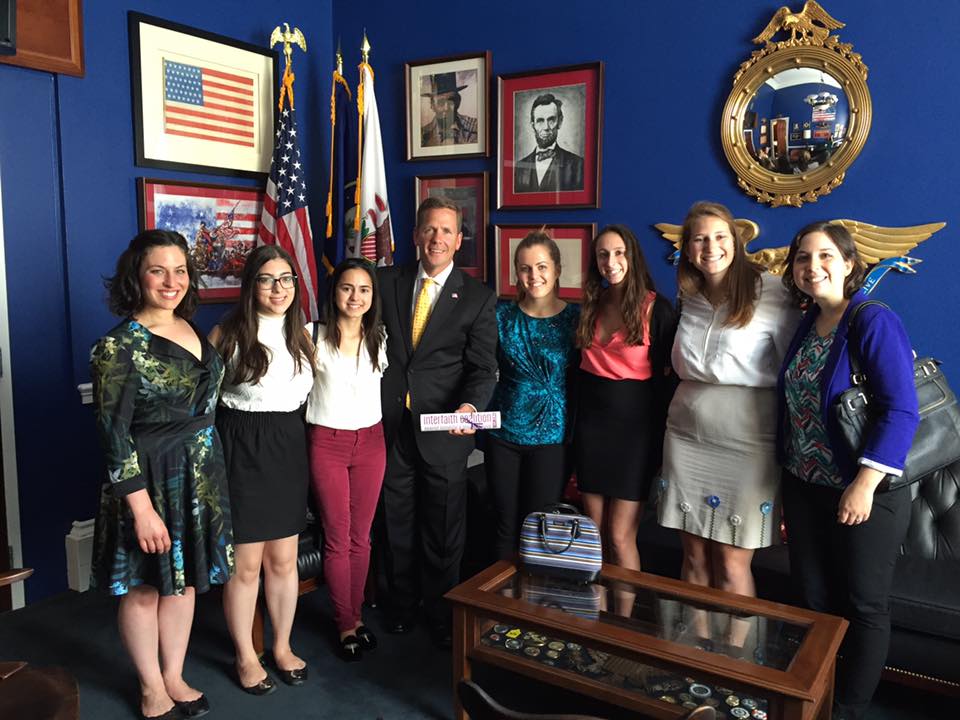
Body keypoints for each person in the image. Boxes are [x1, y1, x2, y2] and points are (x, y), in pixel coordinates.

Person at [777, 222, 919, 720]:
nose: (811, 267)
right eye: (801, 258)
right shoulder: (807, 322)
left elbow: (901, 409)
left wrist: (863, 484)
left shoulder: (872, 320)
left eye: (824, 256)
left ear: (849, 264)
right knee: (813, 599)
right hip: (805, 485)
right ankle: (815, 698)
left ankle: (850, 710)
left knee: (863, 605)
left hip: (864, 491)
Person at [90, 229, 233, 720]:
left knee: (186, 582)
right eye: (158, 270)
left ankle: (173, 673)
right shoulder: (118, 347)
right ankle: (151, 687)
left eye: (180, 270)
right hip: (147, 482)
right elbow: (114, 435)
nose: (171, 281)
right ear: (138, 276)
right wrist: (142, 508)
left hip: (199, 477)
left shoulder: (194, 327)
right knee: (146, 588)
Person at [657, 202, 799, 602]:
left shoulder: (770, 291)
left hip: (748, 442)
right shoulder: (689, 296)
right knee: (694, 556)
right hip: (684, 436)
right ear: (687, 249)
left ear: (735, 243)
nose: (710, 246)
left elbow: (793, 366)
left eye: (720, 237)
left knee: (732, 562)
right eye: (699, 239)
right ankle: (691, 656)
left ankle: (734, 660)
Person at [378, 196, 498, 647]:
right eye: (429, 229)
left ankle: (441, 612)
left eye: (446, 231)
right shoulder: (385, 282)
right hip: (391, 427)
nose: (437, 239)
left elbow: (482, 368)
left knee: (444, 530)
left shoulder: (477, 297)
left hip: (446, 431)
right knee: (398, 522)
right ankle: (401, 607)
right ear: (415, 236)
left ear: (459, 240)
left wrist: (470, 408)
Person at [210, 245, 315, 695]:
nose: (280, 288)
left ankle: (282, 645)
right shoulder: (225, 334)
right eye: (268, 279)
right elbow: (202, 406)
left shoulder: (304, 334)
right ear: (251, 285)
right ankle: (246, 655)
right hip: (240, 447)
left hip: (288, 447)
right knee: (246, 566)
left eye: (287, 278)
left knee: (284, 560)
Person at [574, 225, 677, 575]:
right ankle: (596, 617)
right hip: (591, 429)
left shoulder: (657, 309)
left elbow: (669, 381)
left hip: (635, 434)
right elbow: (577, 372)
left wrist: (662, 445)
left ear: (632, 257)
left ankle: (624, 621)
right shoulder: (590, 305)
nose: (611, 261)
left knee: (619, 537)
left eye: (619, 253)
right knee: (593, 533)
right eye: (603, 254)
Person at [306, 258, 388, 662]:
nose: (355, 297)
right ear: (334, 292)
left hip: (373, 443)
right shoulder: (311, 335)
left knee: (363, 537)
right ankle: (345, 624)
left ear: (373, 297)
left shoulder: (381, 338)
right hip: (328, 443)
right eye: (347, 288)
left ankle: (356, 617)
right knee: (338, 539)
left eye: (364, 290)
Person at [486, 231, 580, 560]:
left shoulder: (576, 318)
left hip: (551, 438)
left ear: (556, 270)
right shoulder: (500, 317)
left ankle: (531, 606)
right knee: (502, 525)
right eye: (525, 268)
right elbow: (479, 371)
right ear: (516, 272)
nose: (533, 276)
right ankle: (497, 605)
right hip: (503, 435)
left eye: (541, 267)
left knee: (539, 525)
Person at [514, 93, 584, 193]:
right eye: (540, 121)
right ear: (533, 125)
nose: (546, 127)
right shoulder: (519, 167)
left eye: (551, 120)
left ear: (559, 122)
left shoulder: (578, 165)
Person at [420, 72, 478, 147]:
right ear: (432, 106)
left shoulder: (476, 126)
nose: (446, 108)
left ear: (458, 102)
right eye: (440, 102)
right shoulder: (423, 134)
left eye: (451, 100)